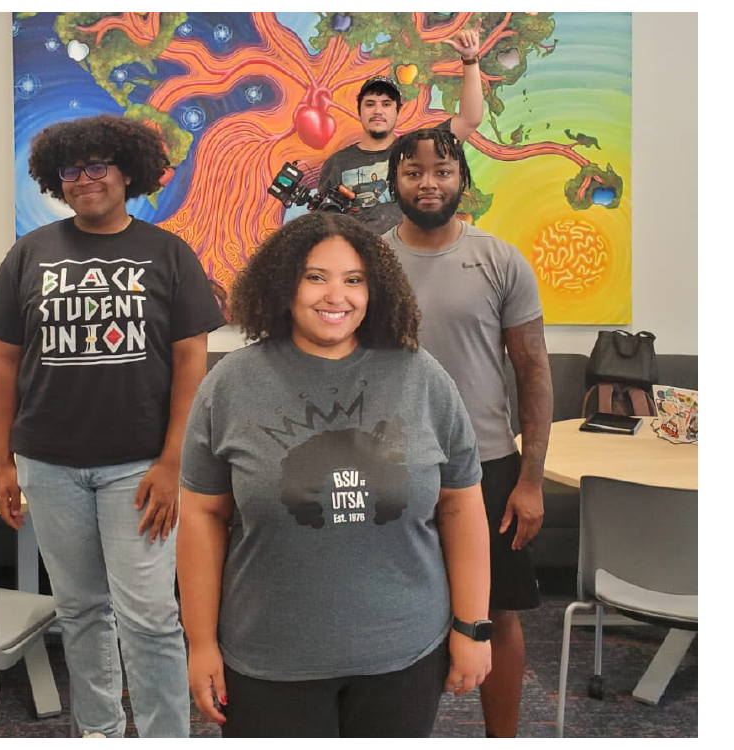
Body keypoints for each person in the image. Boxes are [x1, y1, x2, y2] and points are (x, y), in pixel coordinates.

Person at [176, 212, 492, 737]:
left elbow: (462, 506)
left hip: (403, 653)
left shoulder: (422, 376)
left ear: (375, 291)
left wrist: (472, 626)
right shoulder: (230, 383)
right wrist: (201, 642)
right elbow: (203, 516)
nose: (335, 296)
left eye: (353, 280)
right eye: (315, 277)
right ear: (284, 285)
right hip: (268, 655)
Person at [0, 114, 224, 738]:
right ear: (58, 182)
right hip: (48, 461)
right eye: (71, 171)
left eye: (97, 167)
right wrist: (4, 460)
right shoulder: (30, 252)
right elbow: (5, 362)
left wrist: (174, 463)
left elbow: (193, 361)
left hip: (140, 466)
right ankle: (100, 733)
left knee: (148, 615)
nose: (84, 180)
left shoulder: (168, 253)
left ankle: (166, 736)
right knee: (82, 611)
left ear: (126, 173)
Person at [382, 127, 554, 737]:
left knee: (497, 618)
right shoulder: (372, 264)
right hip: (393, 466)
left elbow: (532, 371)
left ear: (463, 182)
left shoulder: (500, 259)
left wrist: (530, 479)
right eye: (413, 172)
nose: (428, 183)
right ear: (394, 180)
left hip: (487, 465)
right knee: (398, 618)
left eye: (443, 171)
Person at [317, 26, 483, 235]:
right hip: (362, 264)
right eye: (370, 104)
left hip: (414, 261)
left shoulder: (419, 148)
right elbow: (324, 227)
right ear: (359, 111)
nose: (378, 111)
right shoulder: (336, 164)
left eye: (386, 104)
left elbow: (470, 119)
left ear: (398, 111)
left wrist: (470, 60)